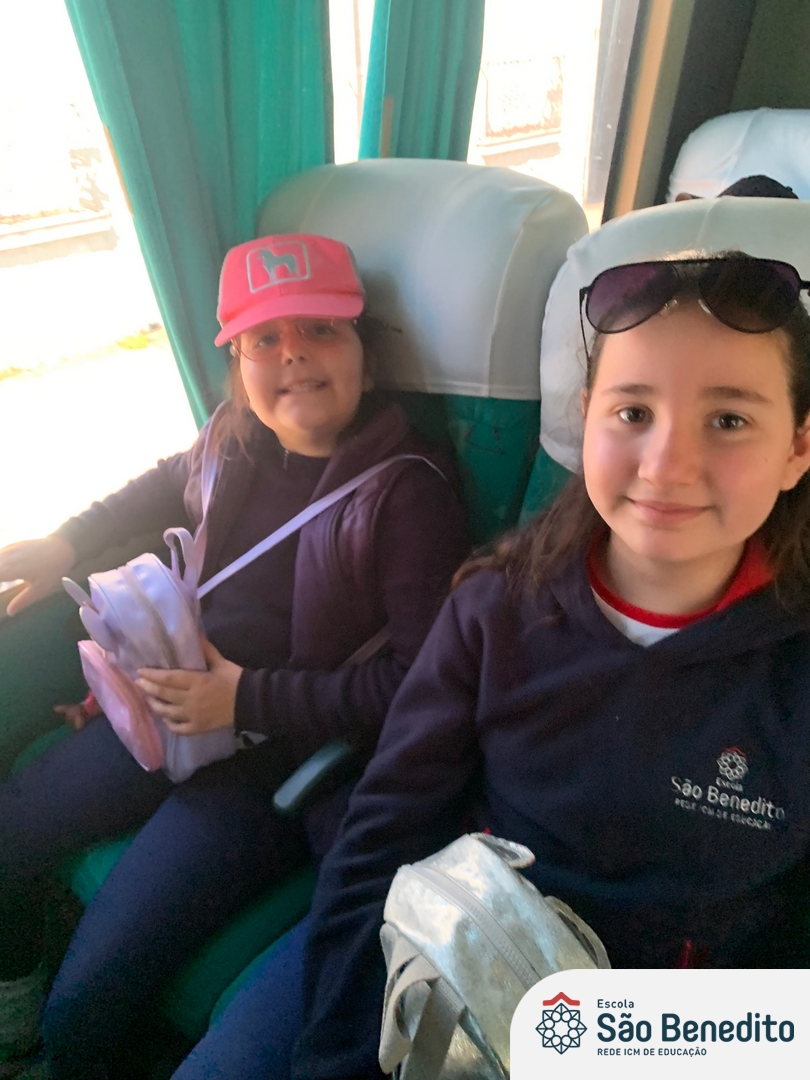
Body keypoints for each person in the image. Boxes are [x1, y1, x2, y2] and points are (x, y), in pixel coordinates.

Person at [172, 251, 810, 1080]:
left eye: (728, 420)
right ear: (585, 421)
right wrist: (338, 1050)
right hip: (453, 952)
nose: (666, 465)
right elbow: (382, 833)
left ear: (797, 447)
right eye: (632, 412)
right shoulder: (496, 609)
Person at [0, 233, 468, 1080]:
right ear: (238, 365)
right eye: (264, 339)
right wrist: (66, 541)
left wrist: (245, 700)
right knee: (15, 828)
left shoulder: (408, 494)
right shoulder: (232, 438)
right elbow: (161, 482)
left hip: (271, 760)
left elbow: (417, 684)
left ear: (367, 356)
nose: (293, 353)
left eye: (322, 330)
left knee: (87, 1000)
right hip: (168, 706)